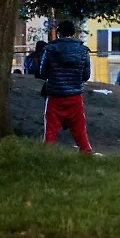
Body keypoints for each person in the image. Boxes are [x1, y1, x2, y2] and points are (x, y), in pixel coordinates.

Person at [37, 20, 93, 153]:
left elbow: (42, 72)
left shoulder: (49, 50)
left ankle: (47, 156)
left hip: (55, 96)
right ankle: (86, 153)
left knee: (50, 132)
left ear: (59, 32)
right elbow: (86, 75)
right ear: (73, 33)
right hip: (75, 97)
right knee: (80, 131)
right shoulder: (83, 51)